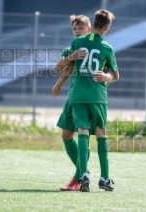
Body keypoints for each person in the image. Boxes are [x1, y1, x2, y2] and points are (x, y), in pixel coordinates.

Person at [52, 14, 113, 191]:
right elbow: (61, 67)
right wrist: (58, 84)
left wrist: (106, 77)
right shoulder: (74, 47)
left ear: (90, 29)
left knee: (83, 133)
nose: (77, 31)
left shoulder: (98, 48)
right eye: (74, 29)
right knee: (66, 136)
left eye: (80, 28)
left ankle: (79, 177)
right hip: (74, 97)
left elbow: (109, 74)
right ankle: (84, 170)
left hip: (88, 98)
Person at [69, 9, 119, 192]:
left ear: (93, 24)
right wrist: (105, 76)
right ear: (106, 27)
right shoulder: (106, 47)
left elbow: (66, 64)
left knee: (82, 130)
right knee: (101, 133)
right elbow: (115, 76)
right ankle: (105, 178)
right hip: (97, 97)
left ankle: (83, 174)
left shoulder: (77, 42)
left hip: (78, 96)